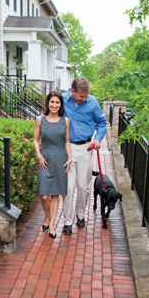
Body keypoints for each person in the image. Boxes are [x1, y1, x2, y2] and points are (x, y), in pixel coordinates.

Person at [62, 76, 107, 235]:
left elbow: (102, 123)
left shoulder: (93, 102)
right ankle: (67, 222)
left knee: (83, 186)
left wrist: (97, 138)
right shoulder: (61, 100)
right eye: (81, 96)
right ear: (72, 91)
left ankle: (80, 215)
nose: (84, 98)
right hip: (66, 148)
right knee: (67, 187)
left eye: (86, 95)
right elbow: (51, 120)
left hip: (86, 148)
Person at [34, 91, 71, 239]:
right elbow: (36, 140)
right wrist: (39, 156)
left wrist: (70, 158)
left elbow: (67, 141)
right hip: (45, 160)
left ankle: (52, 224)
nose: (54, 105)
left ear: (61, 105)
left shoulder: (66, 121)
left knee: (55, 196)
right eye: (52, 102)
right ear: (48, 103)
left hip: (60, 160)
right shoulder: (39, 120)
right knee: (44, 196)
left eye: (57, 102)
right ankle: (48, 217)